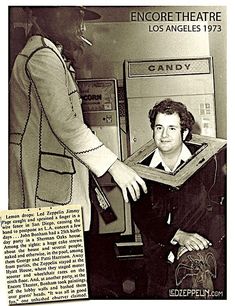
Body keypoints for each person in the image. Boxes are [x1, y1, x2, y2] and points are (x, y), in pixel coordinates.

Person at [9, 6, 147, 232]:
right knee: (53, 263)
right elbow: (66, 124)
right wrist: (114, 166)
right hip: (45, 189)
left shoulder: (48, 54)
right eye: (77, 17)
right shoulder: (43, 56)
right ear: (54, 15)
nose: (82, 27)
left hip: (49, 186)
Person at [131, 98, 226, 298]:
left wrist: (192, 245)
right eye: (159, 128)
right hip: (158, 263)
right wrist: (177, 237)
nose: (164, 135)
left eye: (172, 128)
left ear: (184, 133)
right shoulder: (138, 170)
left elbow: (217, 210)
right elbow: (143, 217)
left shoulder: (208, 164)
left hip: (201, 258)